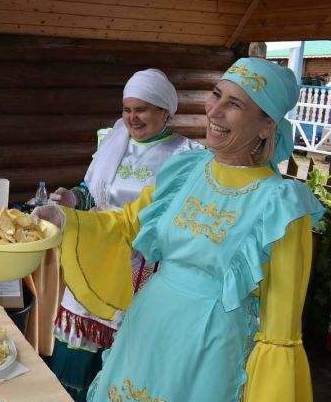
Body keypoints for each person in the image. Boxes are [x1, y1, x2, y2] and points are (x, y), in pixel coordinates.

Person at [35, 57, 324, 401]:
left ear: (267, 125)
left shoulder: (282, 205)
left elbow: (281, 332)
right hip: (147, 327)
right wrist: (64, 218)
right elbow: (128, 223)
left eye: (234, 104)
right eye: (216, 95)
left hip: (208, 349)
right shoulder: (186, 169)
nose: (215, 112)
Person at [46, 69, 201, 401]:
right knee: (81, 334)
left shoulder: (185, 154)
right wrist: (73, 198)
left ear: (164, 110)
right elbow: (92, 191)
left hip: (143, 265)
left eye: (142, 109)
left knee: (128, 348)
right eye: (127, 109)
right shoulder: (111, 140)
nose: (133, 117)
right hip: (97, 250)